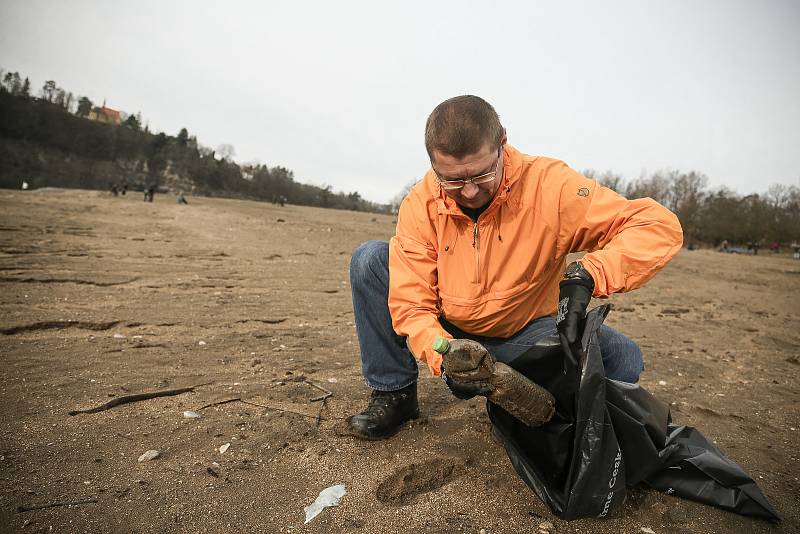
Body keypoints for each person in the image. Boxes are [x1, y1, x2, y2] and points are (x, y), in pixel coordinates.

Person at [346, 95, 683, 440]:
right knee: (370, 259)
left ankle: (534, 393)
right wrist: (442, 353)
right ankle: (395, 395)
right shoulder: (421, 203)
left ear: (502, 142)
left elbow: (655, 226)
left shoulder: (550, 186)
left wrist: (589, 275)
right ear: (433, 163)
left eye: (481, 173)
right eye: (452, 180)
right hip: (451, 331)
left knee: (625, 360)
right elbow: (412, 303)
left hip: (525, 330)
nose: (470, 191)